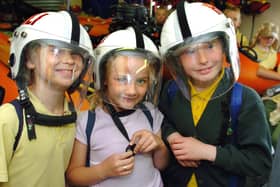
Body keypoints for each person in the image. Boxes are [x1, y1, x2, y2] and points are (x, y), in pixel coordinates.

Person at [158, 1, 272, 187]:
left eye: (210, 46)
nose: (202, 60)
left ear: (224, 46)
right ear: (176, 58)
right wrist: (172, 137)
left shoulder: (245, 100)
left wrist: (208, 152)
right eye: (190, 51)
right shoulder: (171, 91)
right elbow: (161, 120)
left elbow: (260, 163)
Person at [0, 11, 94, 187]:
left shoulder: (78, 118)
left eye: (76, 54)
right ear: (29, 59)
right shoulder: (8, 119)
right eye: (56, 51)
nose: (68, 60)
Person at [66, 26, 168, 187]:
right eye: (121, 79)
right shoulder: (87, 121)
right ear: (103, 78)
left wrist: (159, 145)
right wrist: (103, 170)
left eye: (141, 81)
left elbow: (160, 165)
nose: (132, 90)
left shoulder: (151, 113)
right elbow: (73, 176)